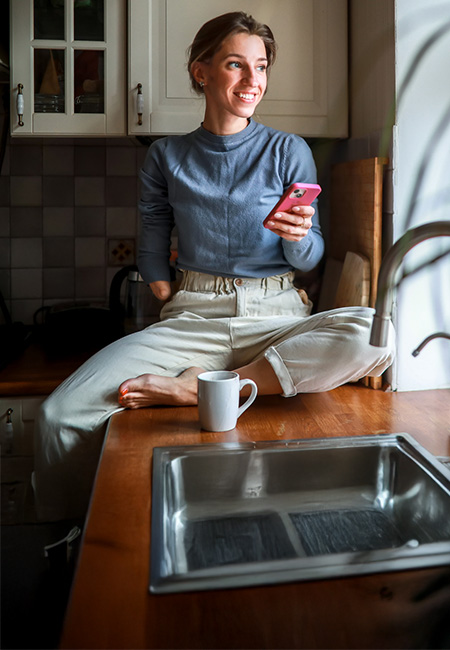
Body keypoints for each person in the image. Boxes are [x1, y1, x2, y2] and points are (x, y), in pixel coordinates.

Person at [33, 12, 395, 522]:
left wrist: (296, 239)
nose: (254, 82)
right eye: (236, 65)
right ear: (201, 71)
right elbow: (153, 234)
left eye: (262, 67)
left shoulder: (288, 150)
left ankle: (202, 384)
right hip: (194, 317)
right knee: (58, 415)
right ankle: (68, 545)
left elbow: (312, 256)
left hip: (277, 315)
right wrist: (159, 277)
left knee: (375, 334)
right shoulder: (166, 156)